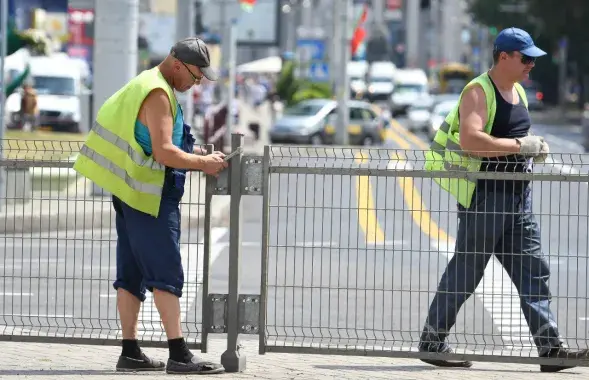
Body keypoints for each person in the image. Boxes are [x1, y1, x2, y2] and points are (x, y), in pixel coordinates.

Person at [421, 27, 589, 372]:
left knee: (534, 272)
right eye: (525, 58)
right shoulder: (478, 91)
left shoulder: (518, 93)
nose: (531, 64)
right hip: (486, 197)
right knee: (466, 272)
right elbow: (471, 139)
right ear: (504, 57)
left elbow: (515, 136)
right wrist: (519, 147)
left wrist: (532, 148)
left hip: (517, 199)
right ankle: (432, 341)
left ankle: (550, 350)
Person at [73, 37, 228, 375]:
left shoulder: (143, 82)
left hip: (130, 193)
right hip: (151, 197)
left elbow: (150, 140)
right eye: (196, 74)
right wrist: (203, 164)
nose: (198, 81)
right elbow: (163, 152)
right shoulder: (159, 93)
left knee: (130, 274)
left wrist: (197, 153)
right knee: (166, 274)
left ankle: (129, 352)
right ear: (177, 64)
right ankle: (179, 355)